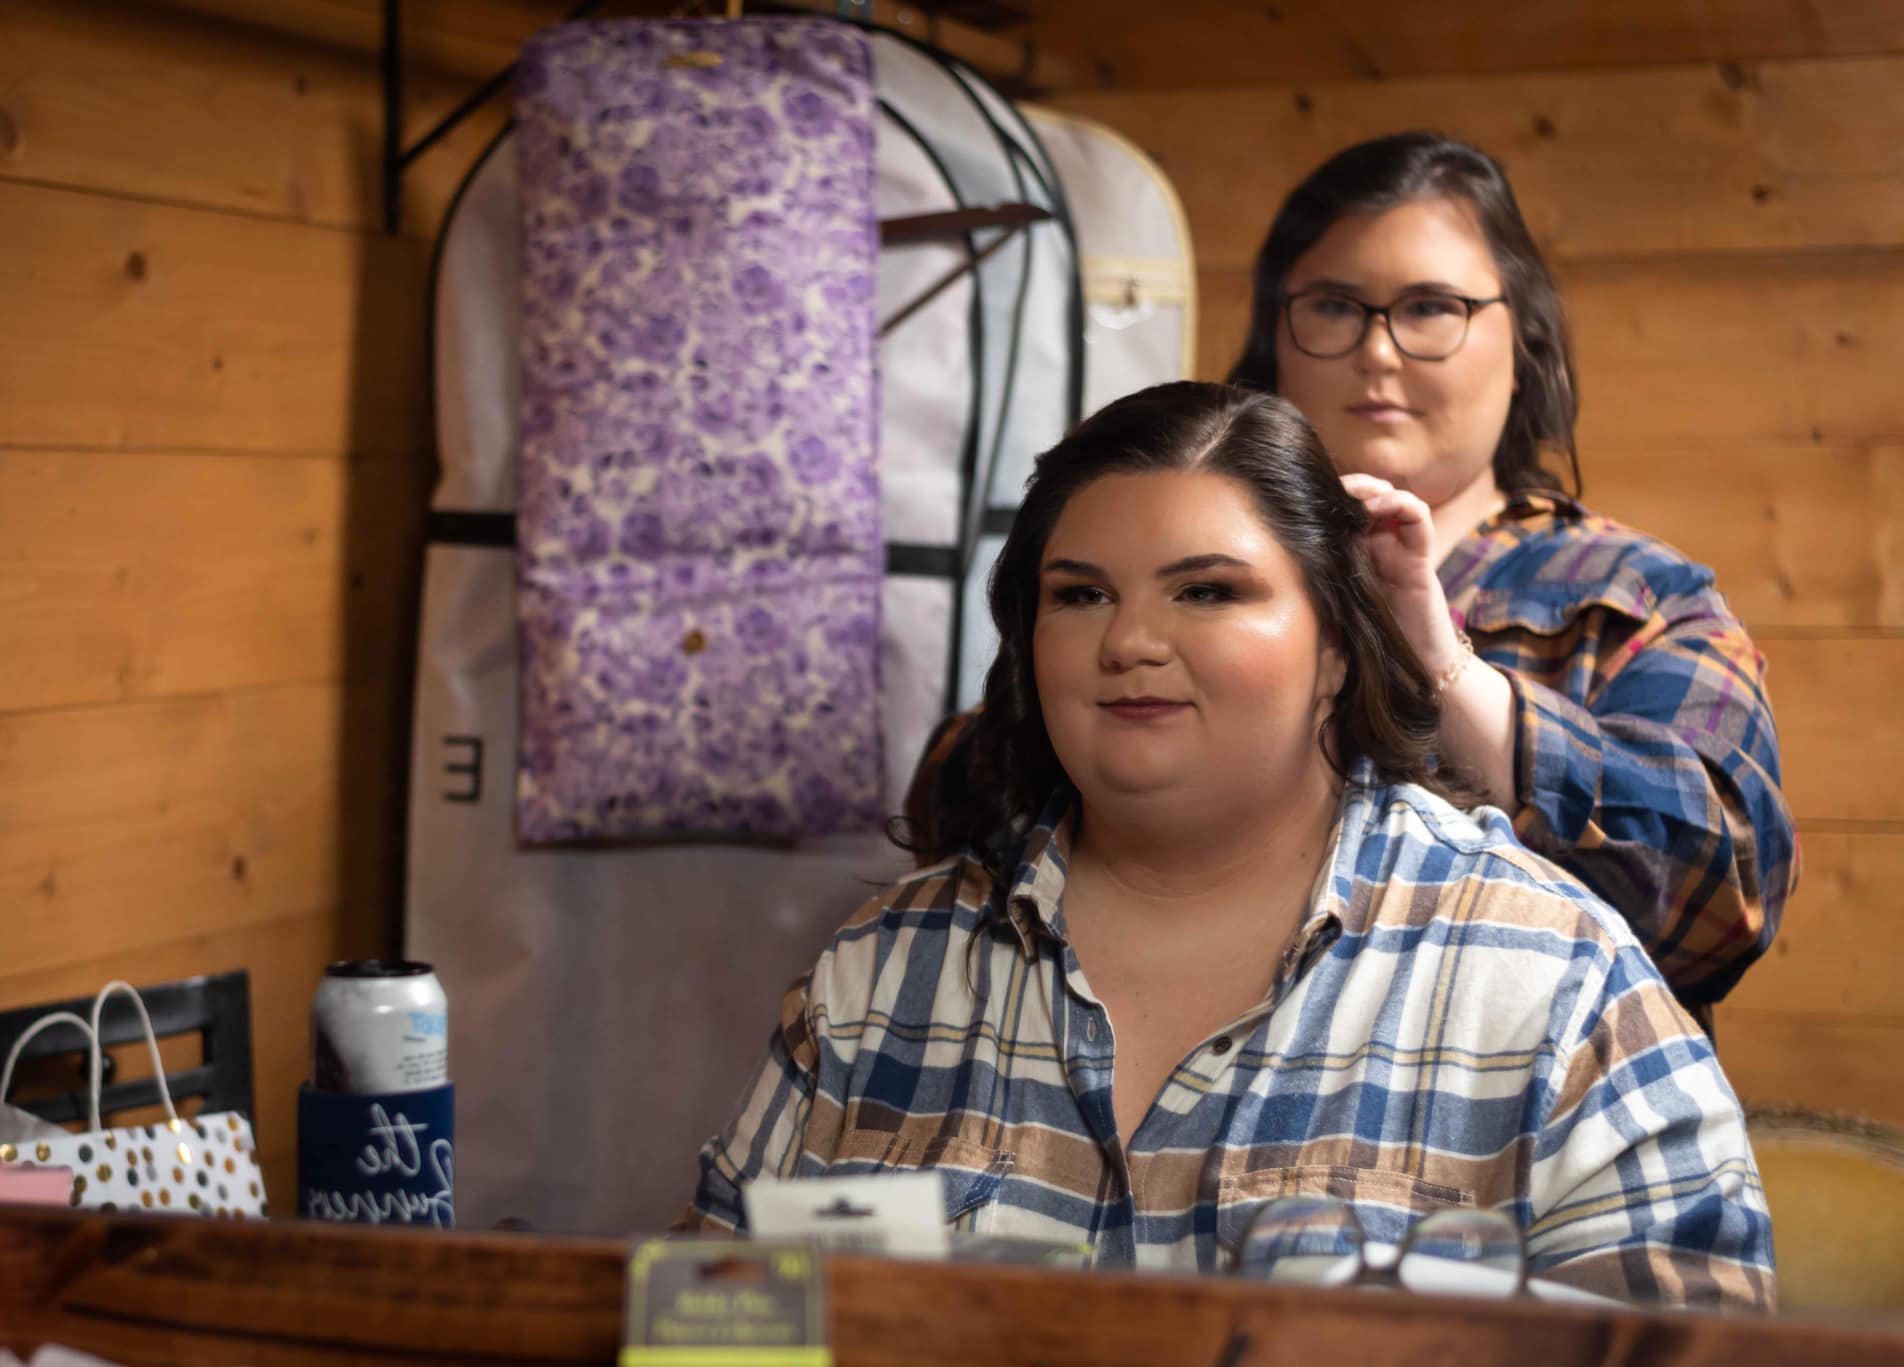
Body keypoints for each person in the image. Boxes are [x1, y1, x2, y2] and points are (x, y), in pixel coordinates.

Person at [683, 384, 1773, 1308]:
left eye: (1207, 590)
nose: (1129, 642)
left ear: (1339, 649)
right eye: (1079, 595)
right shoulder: (885, 967)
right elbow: (707, 1326)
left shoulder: (1550, 978)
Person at [913, 132, 1797, 1024]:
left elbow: (1724, 897)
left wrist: (1445, 677)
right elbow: (955, 804)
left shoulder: (1637, 596)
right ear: (1274, 338)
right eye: (1334, 306)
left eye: (1430, 306)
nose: (1378, 350)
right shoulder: (1135, 558)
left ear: (1523, 337)